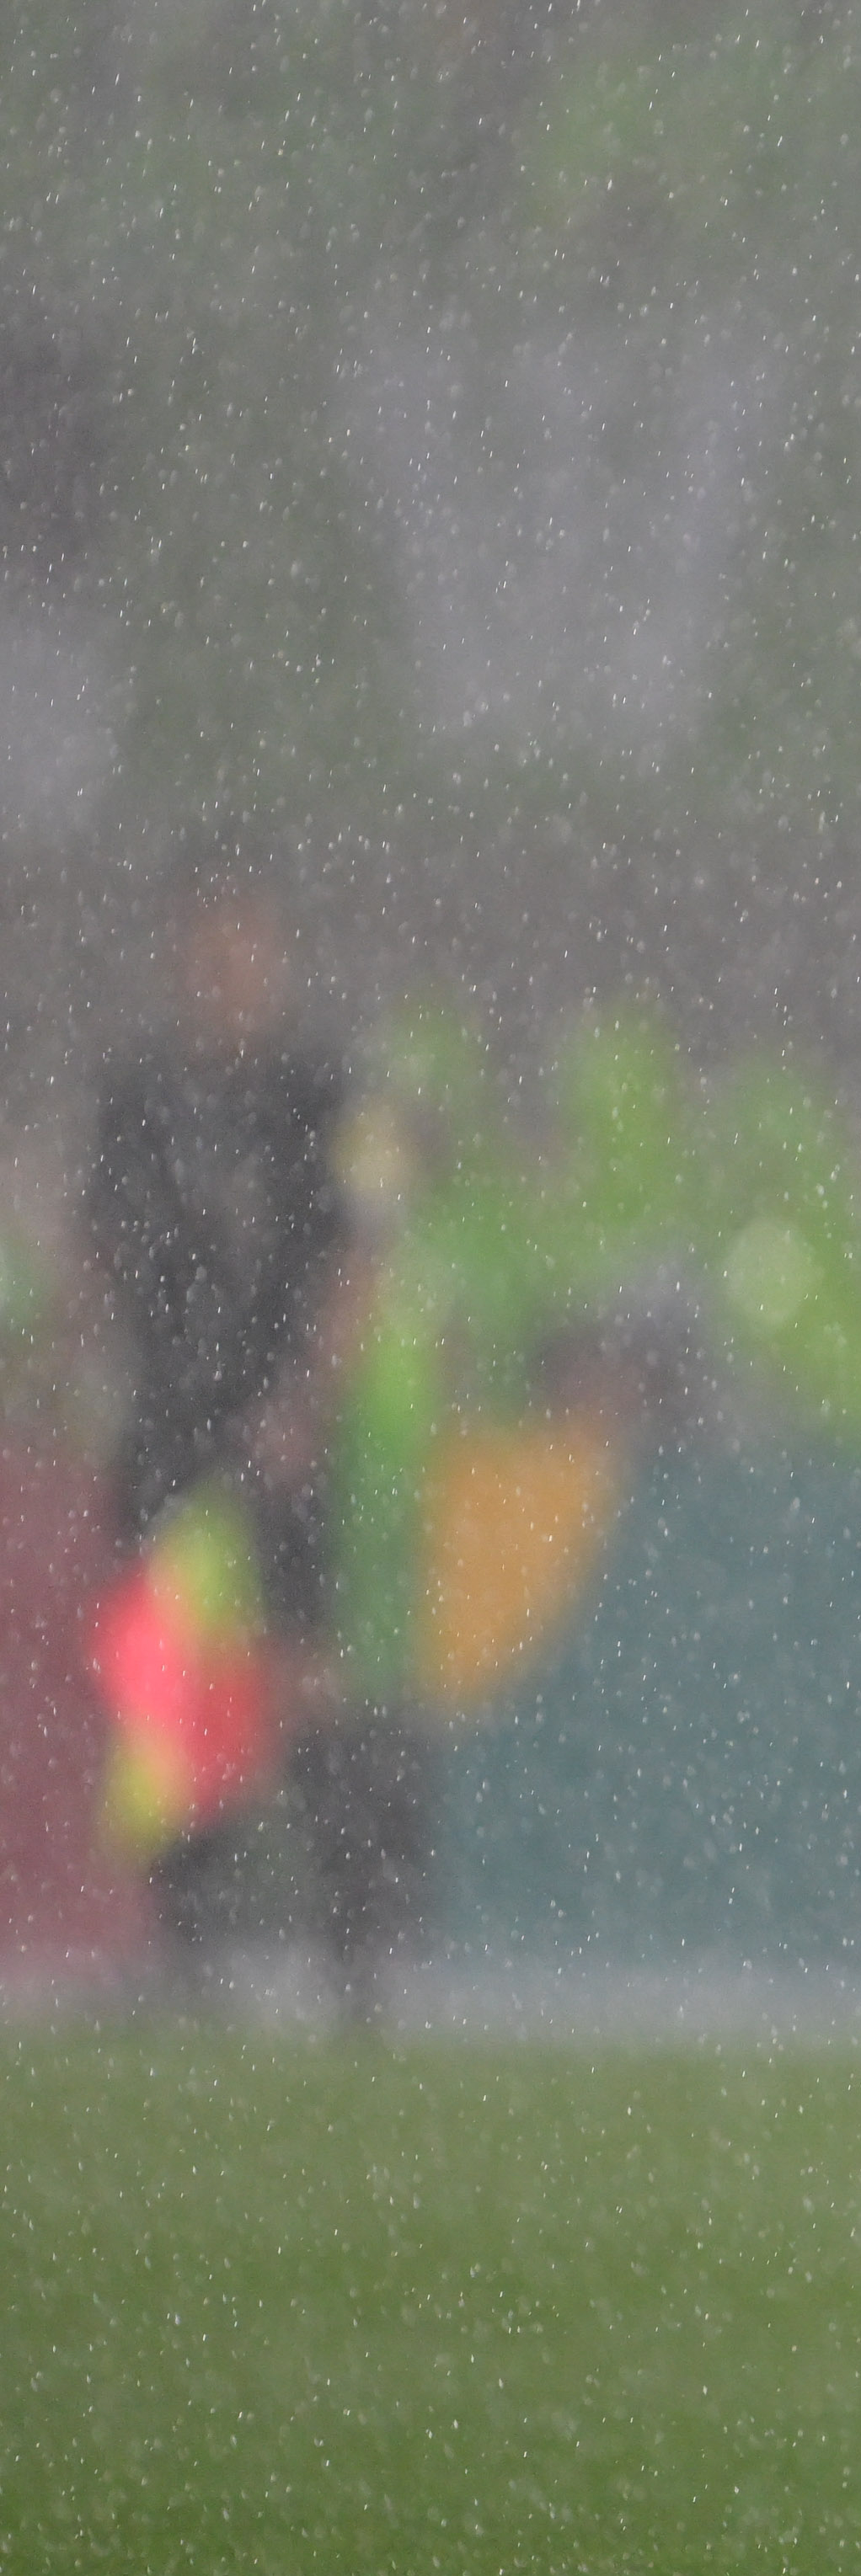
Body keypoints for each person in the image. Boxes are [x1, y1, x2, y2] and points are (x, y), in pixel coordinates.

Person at [82, 840, 401, 2013]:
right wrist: (99, 1370)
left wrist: (305, 1399)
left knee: (303, 1675)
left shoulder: (332, 1090)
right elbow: (98, 1247)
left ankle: (356, 1957)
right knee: (167, 1690)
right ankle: (190, 1954)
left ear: (274, 952)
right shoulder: (139, 1094)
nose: (221, 967)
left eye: (241, 942)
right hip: (168, 1423)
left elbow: (365, 1255)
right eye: (203, 944)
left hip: (281, 1420)